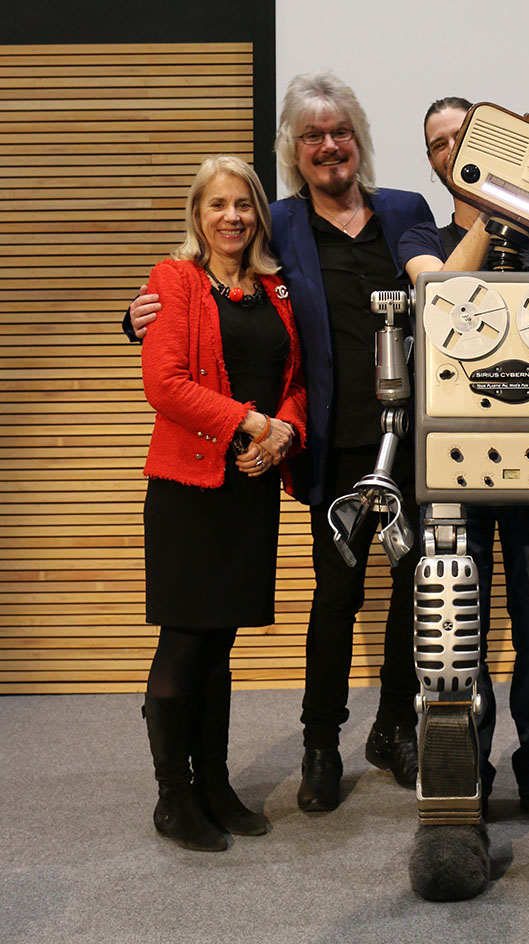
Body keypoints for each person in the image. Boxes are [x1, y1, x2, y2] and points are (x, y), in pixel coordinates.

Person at [129, 71, 435, 813]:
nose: (328, 146)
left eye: (340, 133)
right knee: (337, 594)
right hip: (335, 445)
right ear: (293, 153)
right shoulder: (283, 224)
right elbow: (207, 276)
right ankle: (321, 742)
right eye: (311, 136)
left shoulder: (405, 209)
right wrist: (131, 315)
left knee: (413, 591)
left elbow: (446, 287)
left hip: (420, 437)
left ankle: (395, 727)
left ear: (358, 140)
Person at [396, 97, 529, 819]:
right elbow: (440, 291)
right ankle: (462, 768)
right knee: (456, 626)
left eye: (463, 137)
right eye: (439, 144)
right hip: (451, 468)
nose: (450, 149)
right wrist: (492, 210)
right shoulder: (421, 230)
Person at [140, 155, 307, 851]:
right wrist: (250, 423)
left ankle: (214, 781)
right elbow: (166, 385)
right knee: (184, 641)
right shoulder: (174, 280)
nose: (232, 216)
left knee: (222, 643)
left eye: (243, 204)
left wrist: (286, 432)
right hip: (189, 488)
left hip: (251, 485)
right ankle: (173, 796)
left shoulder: (277, 288)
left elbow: (294, 377)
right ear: (197, 215)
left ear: (258, 214)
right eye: (218, 205)